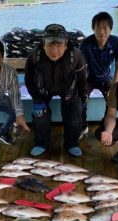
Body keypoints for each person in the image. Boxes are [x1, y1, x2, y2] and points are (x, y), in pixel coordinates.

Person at [25, 23, 88, 157]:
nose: (54, 51)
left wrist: (83, 100)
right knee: (40, 115)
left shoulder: (76, 56)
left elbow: (82, 81)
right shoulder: (33, 56)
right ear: (43, 44)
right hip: (43, 89)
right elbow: (29, 81)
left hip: (68, 89)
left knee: (75, 115)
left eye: (59, 46)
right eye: (50, 46)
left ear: (65, 45)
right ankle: (41, 143)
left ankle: (72, 143)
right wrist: (37, 99)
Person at [79, 12, 118, 139]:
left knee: (112, 100)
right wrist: (81, 87)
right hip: (88, 79)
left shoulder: (117, 42)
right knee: (80, 99)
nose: (102, 31)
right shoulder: (85, 44)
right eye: (98, 28)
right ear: (93, 28)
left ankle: (105, 125)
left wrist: (114, 86)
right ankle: (83, 126)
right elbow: (81, 68)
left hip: (106, 78)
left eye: (105, 28)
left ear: (111, 29)